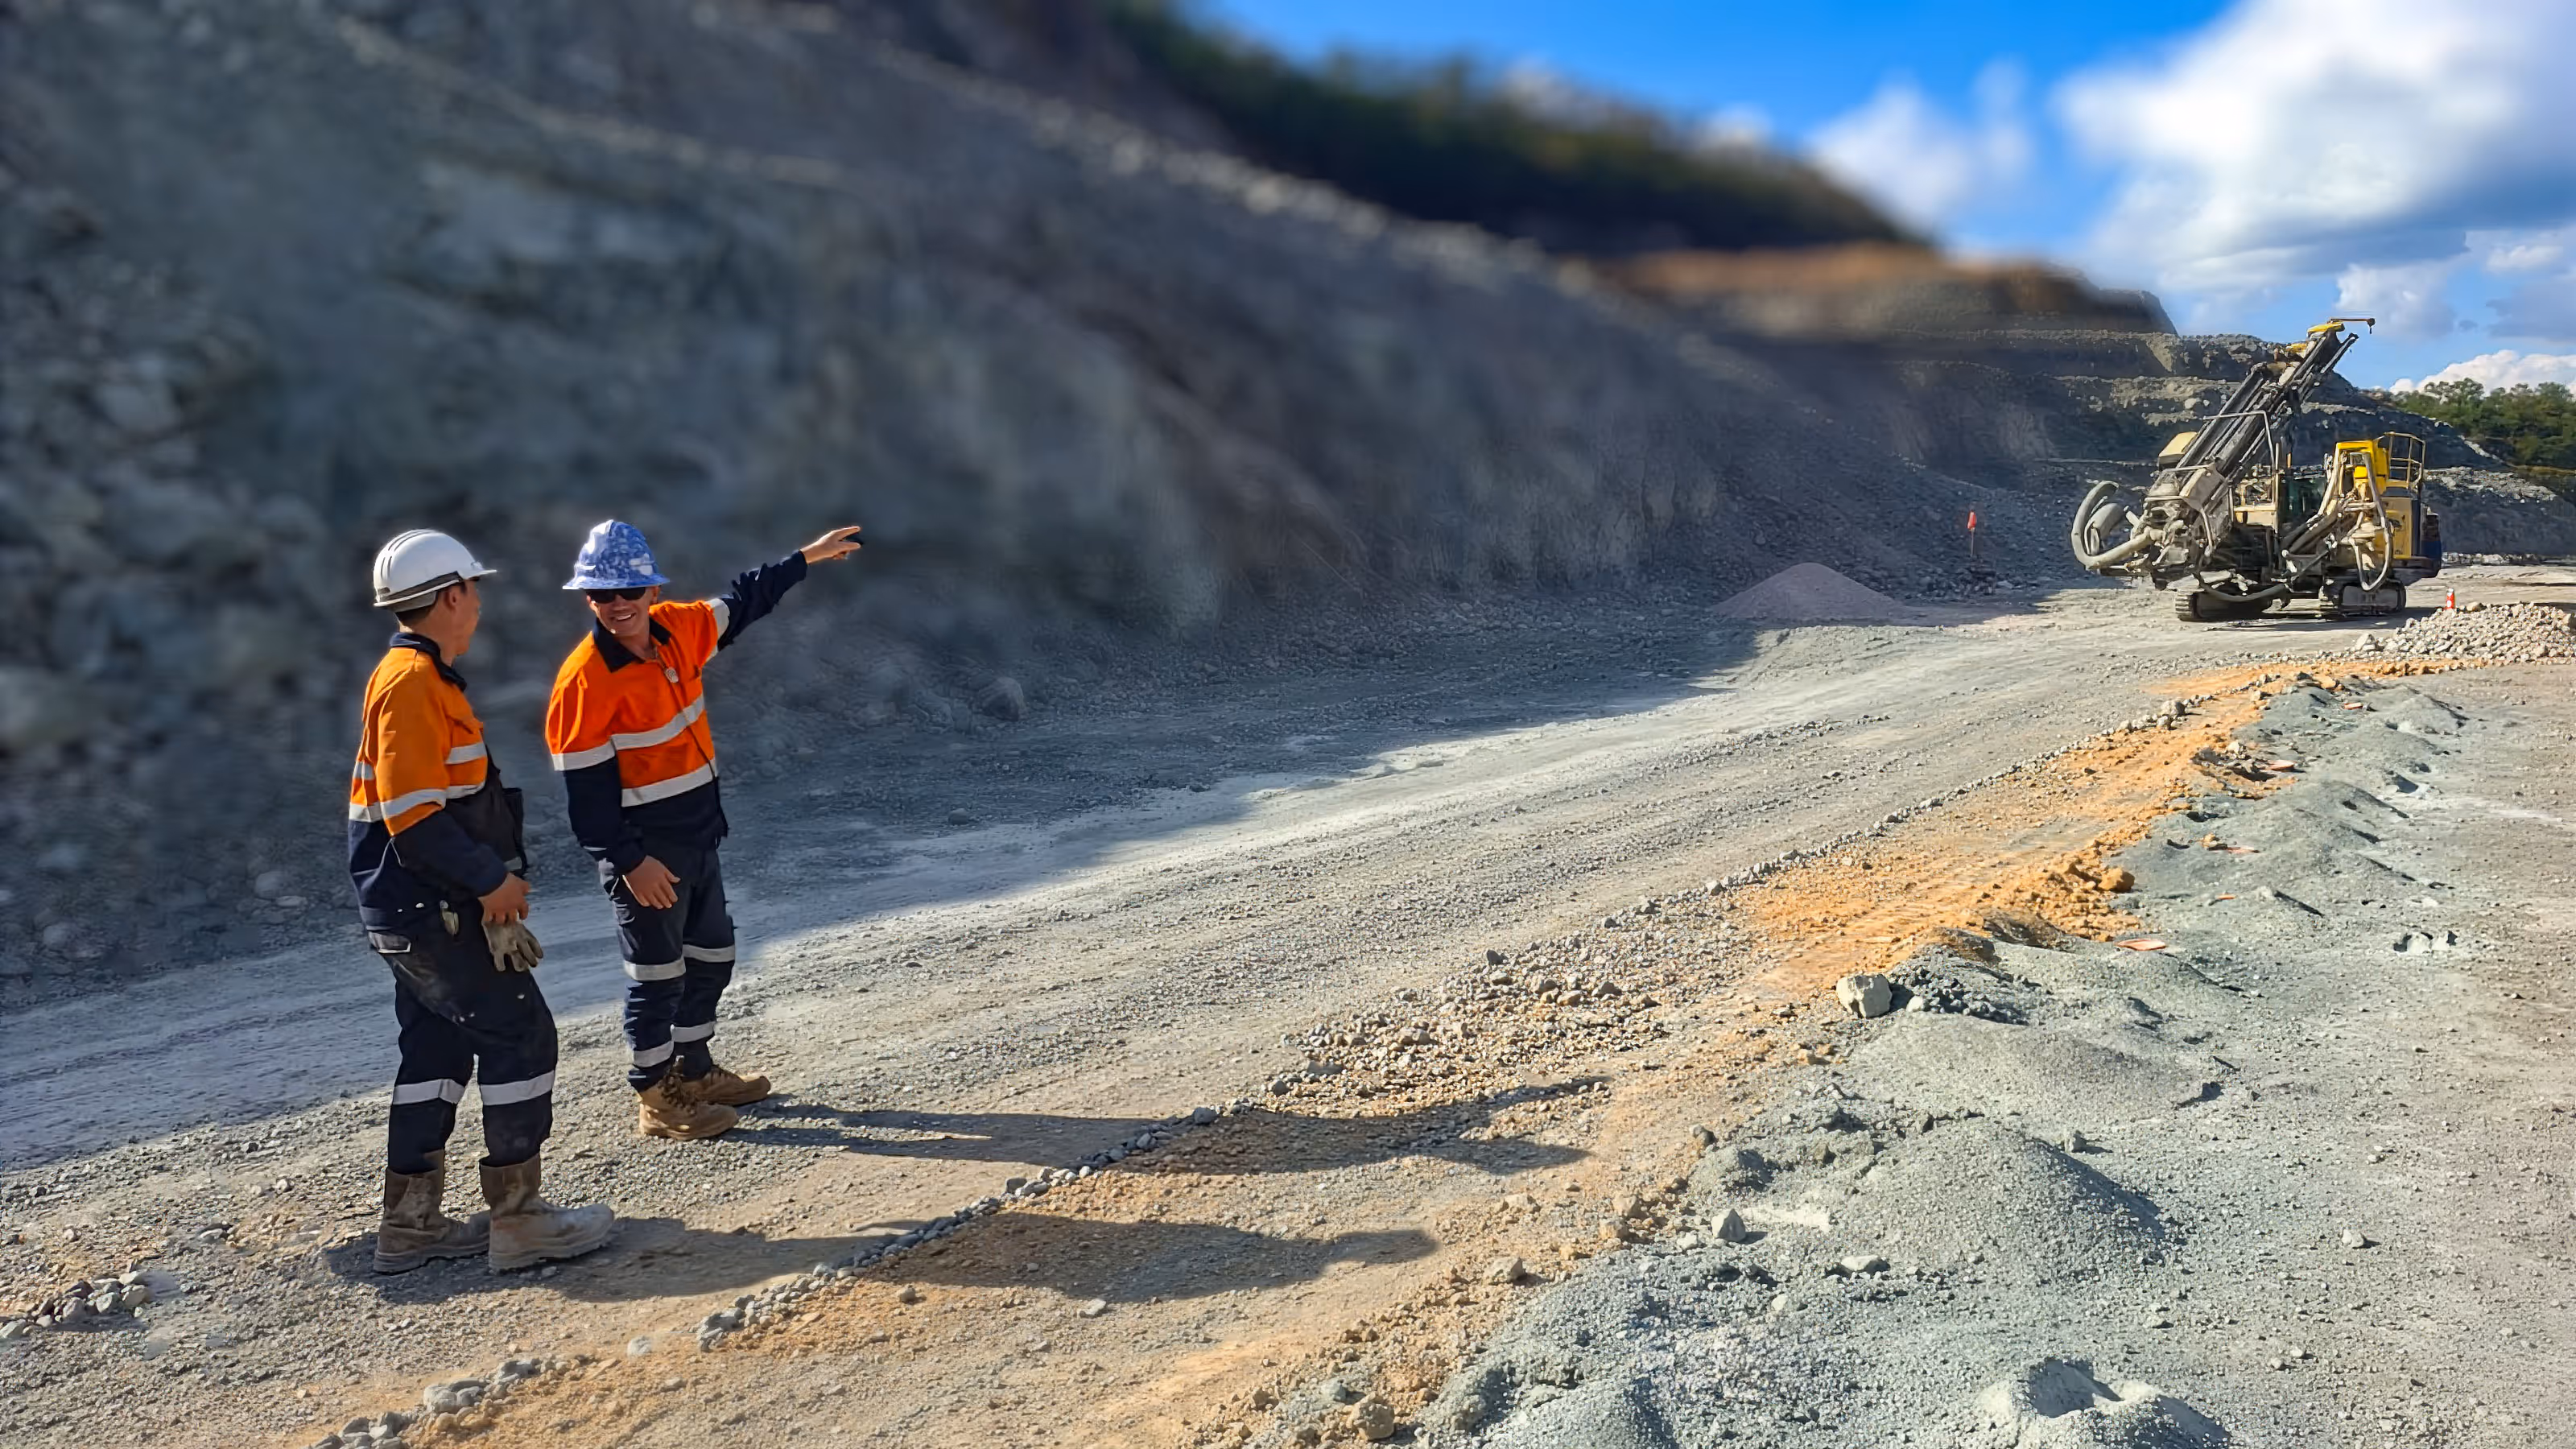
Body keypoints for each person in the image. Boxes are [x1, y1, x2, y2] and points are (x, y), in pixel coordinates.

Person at [544, 518, 864, 1140]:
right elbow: (585, 800)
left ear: (650, 593)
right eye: (600, 595)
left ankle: (694, 1071)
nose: (615, 606)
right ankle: (655, 1098)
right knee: (656, 978)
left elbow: (745, 598)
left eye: (627, 593)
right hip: (646, 852)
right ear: (587, 599)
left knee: (712, 958)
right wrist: (630, 862)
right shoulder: (583, 683)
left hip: (697, 836)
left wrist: (806, 557)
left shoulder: (679, 629)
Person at [349, 530, 614, 1273]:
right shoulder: (411, 684)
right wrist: (490, 884)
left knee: (436, 1047)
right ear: (452, 596)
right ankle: (520, 1219)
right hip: (431, 907)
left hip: (412, 907)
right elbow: (413, 816)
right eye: (474, 589)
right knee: (520, 1034)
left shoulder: (418, 678)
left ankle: (411, 1224)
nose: (479, 603)